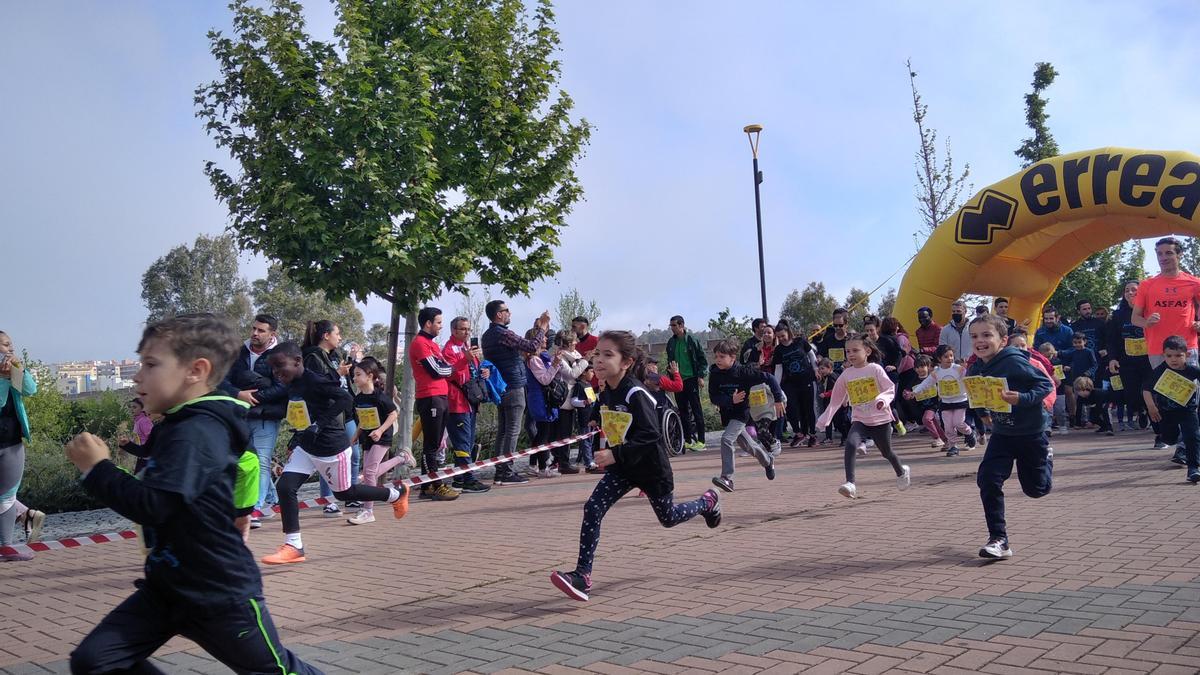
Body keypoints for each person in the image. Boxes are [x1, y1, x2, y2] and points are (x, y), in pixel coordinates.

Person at [65, 314, 321, 674]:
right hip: (168, 588)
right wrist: (241, 508)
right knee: (96, 661)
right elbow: (243, 466)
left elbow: (154, 504)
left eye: (151, 364)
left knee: (274, 671)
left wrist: (98, 468)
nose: (138, 376)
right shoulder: (180, 424)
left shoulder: (198, 430)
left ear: (196, 371)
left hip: (218, 593)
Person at [549, 331, 721, 602]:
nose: (599, 361)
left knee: (669, 518)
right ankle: (582, 576)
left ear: (626, 362)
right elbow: (605, 409)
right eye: (597, 354)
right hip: (625, 469)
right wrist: (595, 419)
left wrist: (615, 454)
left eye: (608, 355)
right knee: (593, 508)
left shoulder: (635, 392)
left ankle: (707, 502)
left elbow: (652, 435)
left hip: (650, 468)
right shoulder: (608, 390)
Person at [262, 342, 409, 564]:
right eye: (273, 368)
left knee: (344, 493)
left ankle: (396, 495)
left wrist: (319, 424)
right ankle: (294, 546)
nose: (277, 373)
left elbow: (345, 399)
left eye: (280, 366)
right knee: (285, 486)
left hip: (331, 448)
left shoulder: (314, 380)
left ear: (298, 362)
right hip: (307, 446)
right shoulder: (290, 383)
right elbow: (294, 412)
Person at [967, 314, 1053, 560]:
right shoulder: (976, 366)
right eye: (974, 336)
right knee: (987, 479)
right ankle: (999, 539)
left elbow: (1044, 385)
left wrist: (1021, 398)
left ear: (1003, 340)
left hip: (1031, 433)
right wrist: (982, 412)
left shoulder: (1014, 361)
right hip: (1002, 435)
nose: (980, 341)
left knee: (1036, 490)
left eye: (986, 335)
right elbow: (978, 392)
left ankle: (1047, 456)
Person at [816, 333, 910, 498]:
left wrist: (882, 399)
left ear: (867, 351)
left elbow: (889, 389)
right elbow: (836, 399)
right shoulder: (846, 374)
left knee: (887, 452)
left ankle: (902, 471)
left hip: (881, 420)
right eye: (847, 351)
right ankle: (850, 483)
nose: (850, 354)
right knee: (851, 443)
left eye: (855, 350)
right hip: (860, 419)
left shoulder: (875, 369)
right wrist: (825, 418)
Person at [218, 313, 286, 528]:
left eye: (261, 330)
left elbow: (282, 387)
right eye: (254, 329)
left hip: (266, 417)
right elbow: (223, 381)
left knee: (262, 461)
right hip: (238, 415)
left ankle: (253, 509)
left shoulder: (280, 355)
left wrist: (255, 397)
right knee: (242, 462)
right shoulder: (238, 353)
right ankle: (269, 500)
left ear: (272, 334)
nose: (255, 333)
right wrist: (240, 394)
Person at [481, 300, 551, 484]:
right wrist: (542, 328)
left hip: (500, 387)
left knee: (503, 430)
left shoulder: (487, 336)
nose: (510, 313)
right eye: (506, 310)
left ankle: (500, 470)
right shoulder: (502, 333)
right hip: (513, 385)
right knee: (512, 430)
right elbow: (530, 346)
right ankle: (507, 471)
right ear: (499, 315)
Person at [708, 339, 785, 492]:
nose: (718, 360)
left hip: (741, 414)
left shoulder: (743, 372)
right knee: (748, 446)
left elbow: (769, 378)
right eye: (716, 356)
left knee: (726, 439)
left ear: (733, 358)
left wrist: (778, 399)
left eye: (722, 357)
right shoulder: (715, 374)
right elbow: (714, 397)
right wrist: (730, 399)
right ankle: (768, 461)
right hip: (727, 415)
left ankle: (727, 478)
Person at [409, 306, 464, 500]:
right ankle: (436, 484)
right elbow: (437, 371)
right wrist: (448, 369)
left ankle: (427, 486)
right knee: (431, 445)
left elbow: (445, 367)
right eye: (439, 323)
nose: (441, 326)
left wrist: (448, 368)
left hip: (441, 395)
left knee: (434, 444)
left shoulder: (432, 345)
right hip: (429, 396)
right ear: (428, 323)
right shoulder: (420, 343)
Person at [347, 358, 410, 525]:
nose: (354, 379)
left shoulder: (381, 397)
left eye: (358, 375)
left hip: (382, 436)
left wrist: (380, 430)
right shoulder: (359, 399)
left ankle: (368, 510)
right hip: (368, 437)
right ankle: (402, 458)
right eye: (354, 375)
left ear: (370, 376)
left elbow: (393, 414)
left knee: (368, 473)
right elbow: (363, 419)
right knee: (371, 473)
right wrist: (355, 435)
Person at [301, 319, 355, 515]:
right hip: (325, 415)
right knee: (327, 459)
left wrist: (346, 369)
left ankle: (350, 495)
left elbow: (343, 384)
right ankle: (329, 500)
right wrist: (337, 372)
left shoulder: (334, 355)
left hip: (343, 412)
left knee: (353, 455)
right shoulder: (312, 357)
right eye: (337, 333)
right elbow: (317, 384)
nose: (340, 337)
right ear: (326, 335)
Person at [1132, 236, 1200, 368]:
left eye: (1169, 253)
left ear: (1179, 254)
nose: (1163, 258)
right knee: (1162, 389)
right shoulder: (1147, 285)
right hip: (1159, 350)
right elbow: (1135, 318)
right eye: (1159, 254)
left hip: (1186, 348)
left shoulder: (1194, 283)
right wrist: (1146, 322)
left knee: (1188, 388)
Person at [443, 317, 491, 494]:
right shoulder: (449, 349)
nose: (467, 333)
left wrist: (484, 372)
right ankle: (468, 479)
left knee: (468, 442)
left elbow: (472, 371)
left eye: (468, 329)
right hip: (457, 402)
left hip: (470, 402)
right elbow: (449, 372)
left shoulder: (466, 347)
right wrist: (465, 359)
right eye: (463, 329)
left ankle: (459, 477)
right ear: (454, 330)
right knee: (462, 443)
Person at [0, 331, 37, 562]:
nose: (7, 348)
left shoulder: (13, 369)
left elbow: (30, 390)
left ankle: (6, 547)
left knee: (6, 496)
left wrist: (18, 372)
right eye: (2, 346)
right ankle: (28, 517)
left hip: (13, 442)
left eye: (8, 344)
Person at [1142, 335, 1200, 482]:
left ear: (1187, 355)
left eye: (1178, 356)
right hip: (1166, 413)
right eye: (1169, 356)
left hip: (1188, 410)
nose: (1174, 359)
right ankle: (1179, 438)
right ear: (1163, 355)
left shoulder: (1192, 370)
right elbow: (1146, 389)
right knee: (1169, 438)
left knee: (1193, 437)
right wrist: (1151, 407)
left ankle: (1193, 468)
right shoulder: (1159, 371)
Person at [909, 345, 975, 456]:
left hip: (960, 401)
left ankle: (969, 433)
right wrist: (915, 392)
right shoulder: (936, 372)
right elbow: (926, 383)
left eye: (951, 356)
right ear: (939, 359)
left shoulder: (959, 369)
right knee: (948, 426)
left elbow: (969, 379)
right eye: (946, 356)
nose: (950, 358)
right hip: (945, 402)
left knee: (958, 423)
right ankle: (953, 446)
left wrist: (967, 371)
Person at [1107, 281, 1151, 433]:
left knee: (1149, 389)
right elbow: (1112, 340)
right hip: (1127, 360)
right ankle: (1141, 409)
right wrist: (1112, 358)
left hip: (1148, 359)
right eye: (1127, 290)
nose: (1130, 293)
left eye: (1134, 290)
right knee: (1131, 394)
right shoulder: (1118, 315)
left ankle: (1153, 416)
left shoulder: (1150, 310)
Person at [665, 315, 709, 452]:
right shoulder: (671, 343)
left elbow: (702, 359)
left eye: (674, 325)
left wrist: (701, 376)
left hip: (691, 379)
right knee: (683, 411)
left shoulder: (692, 340)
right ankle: (688, 440)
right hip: (678, 381)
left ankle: (701, 441)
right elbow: (669, 361)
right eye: (671, 325)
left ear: (681, 325)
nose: (672, 328)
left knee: (696, 410)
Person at [771, 324, 818, 447]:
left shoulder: (800, 341)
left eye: (783, 335)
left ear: (788, 332)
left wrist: (816, 369)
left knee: (808, 408)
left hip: (806, 378)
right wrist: (777, 386)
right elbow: (778, 369)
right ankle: (799, 433)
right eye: (778, 337)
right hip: (790, 382)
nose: (781, 338)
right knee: (791, 407)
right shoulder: (779, 350)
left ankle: (812, 434)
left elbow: (811, 355)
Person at [550, 329, 589, 474]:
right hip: (563, 400)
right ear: (566, 343)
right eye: (573, 341)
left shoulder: (575, 356)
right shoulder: (560, 358)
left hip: (574, 397)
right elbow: (572, 374)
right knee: (563, 432)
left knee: (568, 431)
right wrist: (585, 361)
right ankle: (562, 462)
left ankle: (562, 460)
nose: (576, 343)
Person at [902, 355, 947, 449]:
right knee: (933, 423)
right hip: (921, 406)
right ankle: (946, 440)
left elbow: (941, 387)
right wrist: (907, 394)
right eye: (917, 367)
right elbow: (907, 390)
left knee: (926, 419)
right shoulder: (914, 380)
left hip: (932, 405)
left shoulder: (932, 378)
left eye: (922, 366)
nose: (920, 369)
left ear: (928, 366)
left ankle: (937, 438)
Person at [1061, 333, 1098, 428]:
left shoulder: (1089, 352)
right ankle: (1080, 421)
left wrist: (1088, 373)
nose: (1077, 344)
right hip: (1077, 380)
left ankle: (1092, 420)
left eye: (1079, 342)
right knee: (1079, 401)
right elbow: (1067, 360)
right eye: (1075, 342)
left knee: (1091, 400)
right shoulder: (1073, 352)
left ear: (1084, 342)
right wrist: (1067, 367)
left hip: (1088, 380)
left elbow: (1095, 365)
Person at [569, 364, 601, 472]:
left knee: (591, 440)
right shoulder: (579, 385)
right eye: (591, 371)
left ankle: (590, 460)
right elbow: (573, 400)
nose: (593, 374)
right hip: (583, 416)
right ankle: (589, 462)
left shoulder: (589, 385)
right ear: (583, 372)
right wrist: (584, 402)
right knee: (585, 440)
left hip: (591, 416)